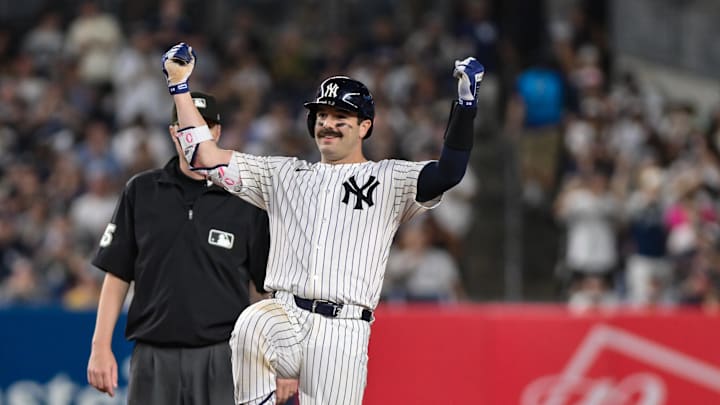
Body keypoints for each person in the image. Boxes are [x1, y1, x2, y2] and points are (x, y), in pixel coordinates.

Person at [161, 42, 484, 405]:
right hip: (285, 312)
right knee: (253, 324)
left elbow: (449, 172)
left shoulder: (389, 178)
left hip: (343, 330)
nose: (327, 124)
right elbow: (203, 156)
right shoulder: (282, 173)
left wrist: (465, 106)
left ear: (364, 127)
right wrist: (180, 87)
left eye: (340, 117)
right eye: (322, 116)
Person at [86, 91, 298, 404]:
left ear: (217, 133)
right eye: (187, 128)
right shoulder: (141, 191)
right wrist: (100, 347)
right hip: (153, 355)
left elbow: (266, 289)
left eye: (205, 127)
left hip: (224, 356)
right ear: (173, 133)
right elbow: (117, 273)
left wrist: (283, 360)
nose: (196, 135)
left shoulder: (245, 198)